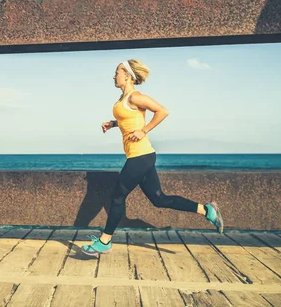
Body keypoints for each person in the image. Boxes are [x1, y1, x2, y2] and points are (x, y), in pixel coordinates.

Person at [82, 59, 224, 256]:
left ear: (128, 76)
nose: (114, 76)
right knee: (159, 199)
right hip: (142, 156)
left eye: (117, 73)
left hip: (140, 156)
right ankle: (206, 210)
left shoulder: (135, 97)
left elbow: (162, 111)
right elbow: (129, 119)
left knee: (117, 196)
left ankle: (105, 241)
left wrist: (144, 130)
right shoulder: (124, 99)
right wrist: (114, 124)